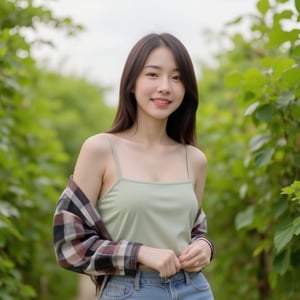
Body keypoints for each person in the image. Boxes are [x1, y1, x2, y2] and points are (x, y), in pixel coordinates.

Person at [53, 32, 214, 299]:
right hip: (129, 289)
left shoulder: (195, 160)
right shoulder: (100, 149)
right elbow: (69, 245)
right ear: (131, 83)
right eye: (153, 74)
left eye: (177, 77)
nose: (165, 86)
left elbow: (193, 229)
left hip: (194, 289)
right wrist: (139, 252)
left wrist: (205, 246)